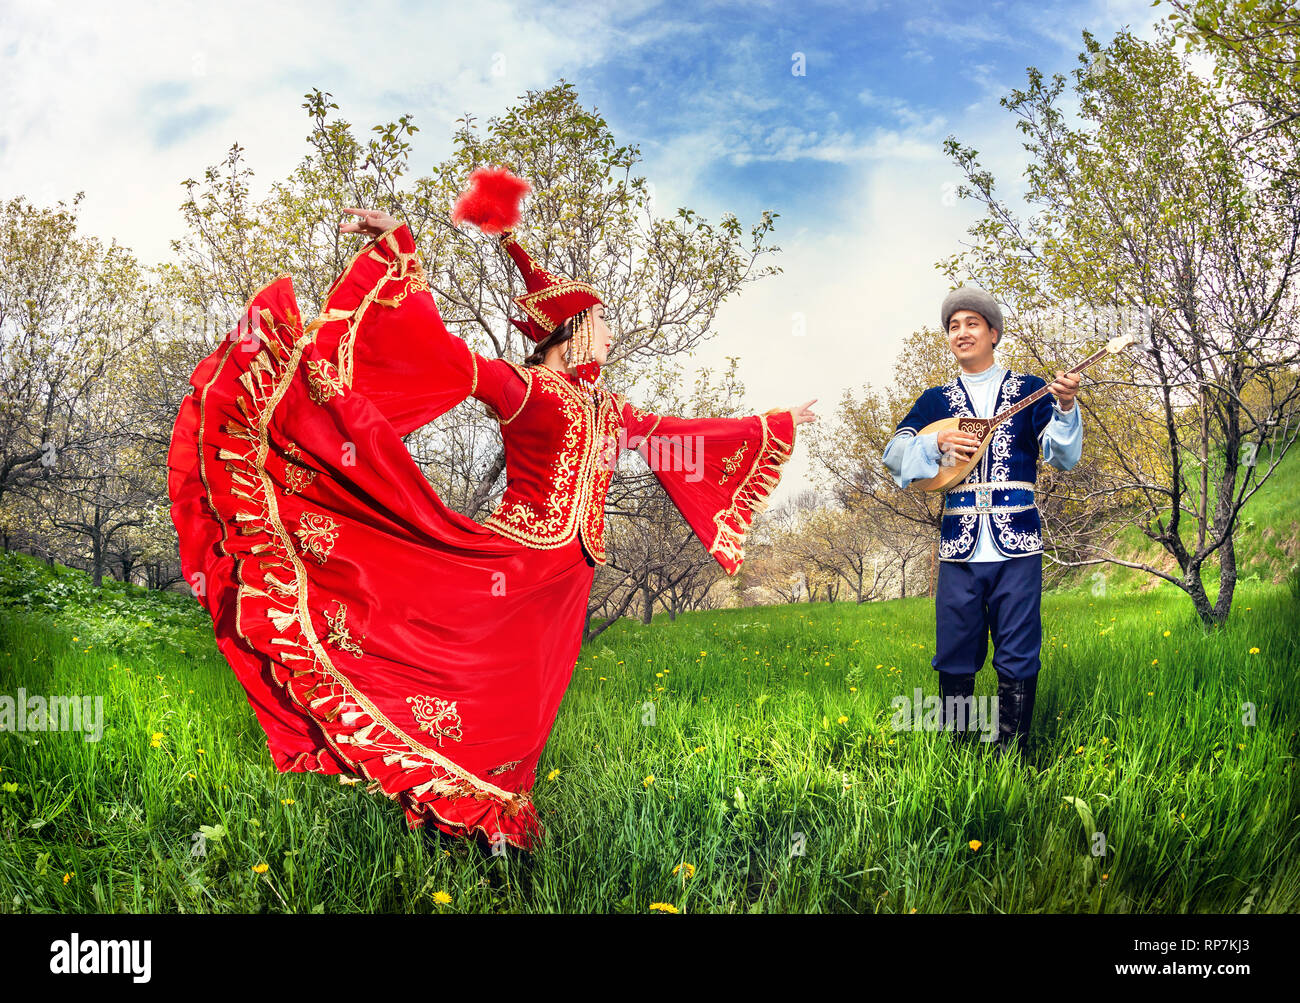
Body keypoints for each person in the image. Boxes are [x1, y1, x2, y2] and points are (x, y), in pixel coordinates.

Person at [166, 168, 815, 852]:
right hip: (516, 562)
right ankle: (473, 812)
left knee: (530, 708)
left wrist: (771, 424)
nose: (612, 337)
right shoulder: (529, 390)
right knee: (466, 676)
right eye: (603, 325)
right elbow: (442, 354)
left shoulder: (608, 409)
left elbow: (680, 435)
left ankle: (495, 807)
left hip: (567, 581)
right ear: (576, 332)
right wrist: (400, 258)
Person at [882, 287, 1081, 757]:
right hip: (959, 548)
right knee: (955, 649)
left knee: (1018, 649)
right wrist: (935, 445)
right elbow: (893, 458)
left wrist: (1067, 407)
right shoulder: (935, 401)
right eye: (953, 326)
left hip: (1018, 545)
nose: (961, 332)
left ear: (993, 333)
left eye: (972, 323)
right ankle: (958, 751)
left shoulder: (1031, 391)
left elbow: (1064, 457)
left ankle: (1010, 756)